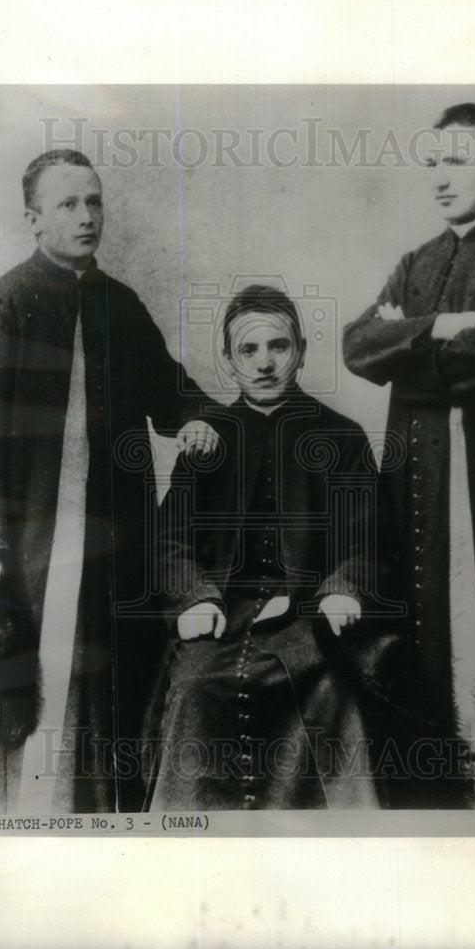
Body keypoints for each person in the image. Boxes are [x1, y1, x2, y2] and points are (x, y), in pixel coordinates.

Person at [0, 148, 218, 813]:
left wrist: (199, 421)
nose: (87, 216)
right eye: (68, 204)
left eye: (94, 201)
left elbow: (178, 394)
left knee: (117, 678)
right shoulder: (5, 306)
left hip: (116, 536)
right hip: (34, 537)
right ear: (33, 219)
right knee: (38, 674)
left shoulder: (121, 305)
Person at [343, 103, 475, 808]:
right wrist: (440, 325)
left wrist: (413, 345)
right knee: (421, 642)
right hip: (420, 484)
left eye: (456, 160)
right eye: (430, 163)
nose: (438, 178)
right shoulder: (417, 263)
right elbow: (355, 346)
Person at [142, 285, 402, 811]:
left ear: (301, 350)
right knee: (195, 689)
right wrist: (192, 597)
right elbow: (169, 541)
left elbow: (368, 535)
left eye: (278, 346)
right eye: (248, 350)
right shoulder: (208, 438)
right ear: (227, 360)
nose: (264, 363)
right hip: (219, 613)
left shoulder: (341, 437)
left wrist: (344, 589)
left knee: (333, 689)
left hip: (309, 614)